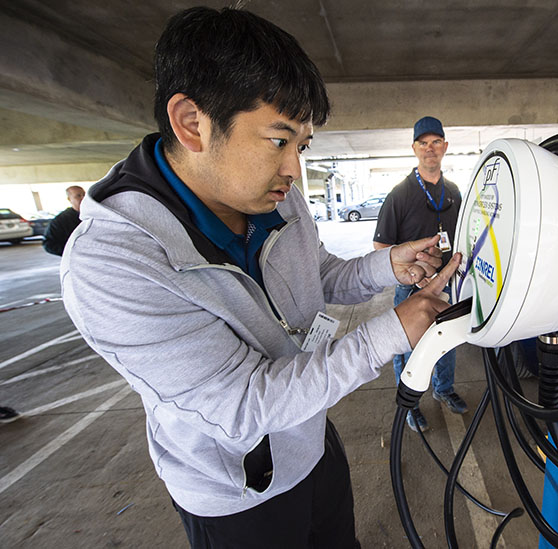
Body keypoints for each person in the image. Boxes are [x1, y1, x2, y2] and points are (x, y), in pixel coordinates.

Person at [59, 8, 460, 549]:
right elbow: (244, 404)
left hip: (312, 439)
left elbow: (316, 273)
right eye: (279, 140)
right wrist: (390, 332)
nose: (295, 170)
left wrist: (387, 266)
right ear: (191, 123)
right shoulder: (113, 265)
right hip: (238, 493)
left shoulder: (279, 195)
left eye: (303, 146)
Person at [373, 116, 466, 432]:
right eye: (423, 143)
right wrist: (416, 277)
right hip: (411, 288)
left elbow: (464, 238)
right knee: (408, 347)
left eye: (436, 142)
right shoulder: (400, 195)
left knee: (448, 343)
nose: (430, 149)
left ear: (445, 147)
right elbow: (380, 246)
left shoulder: (453, 192)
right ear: (414, 148)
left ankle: (444, 390)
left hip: (447, 285)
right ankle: (409, 406)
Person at [42, 185, 85, 256]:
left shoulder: (94, 215)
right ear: (69, 199)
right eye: (78, 196)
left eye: (84, 195)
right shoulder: (60, 221)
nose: (83, 198)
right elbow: (49, 244)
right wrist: (71, 251)